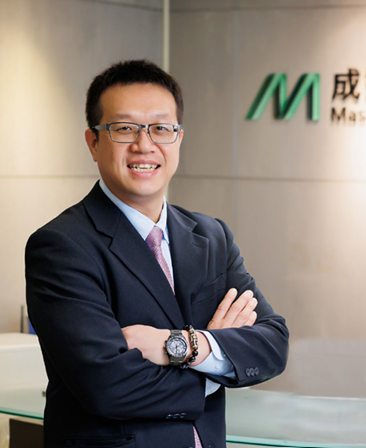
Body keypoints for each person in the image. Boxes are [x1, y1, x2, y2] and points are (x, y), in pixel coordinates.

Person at [25, 59, 289, 448]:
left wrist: (181, 346)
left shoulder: (211, 237)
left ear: (179, 139)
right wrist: (215, 367)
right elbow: (108, 386)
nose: (144, 145)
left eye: (161, 128)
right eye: (124, 128)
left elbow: (272, 345)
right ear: (93, 142)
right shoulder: (61, 246)